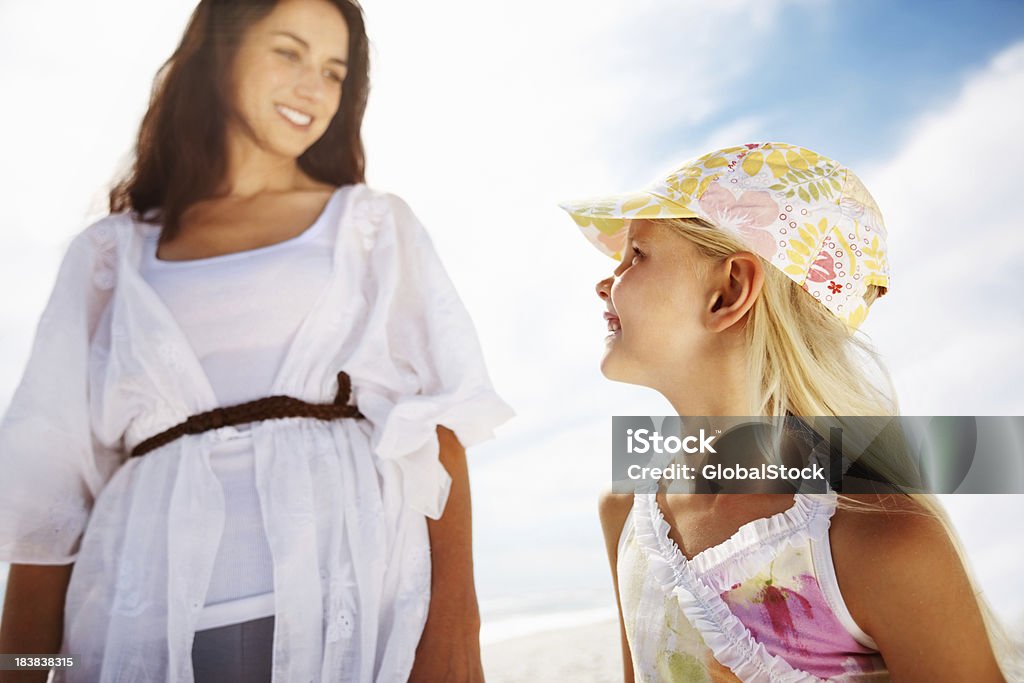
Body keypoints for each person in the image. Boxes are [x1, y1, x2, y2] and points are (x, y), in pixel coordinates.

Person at [0, 0, 512, 681]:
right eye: (289, 52)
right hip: (138, 626)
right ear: (222, 49)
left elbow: (436, 424)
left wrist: (457, 635)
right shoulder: (107, 255)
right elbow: (52, 503)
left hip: (351, 606)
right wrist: (19, 667)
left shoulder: (369, 226)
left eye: (335, 71)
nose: (312, 87)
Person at [559, 142, 1019, 681]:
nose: (604, 281)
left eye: (637, 254)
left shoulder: (878, 539)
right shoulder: (625, 513)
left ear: (728, 291)